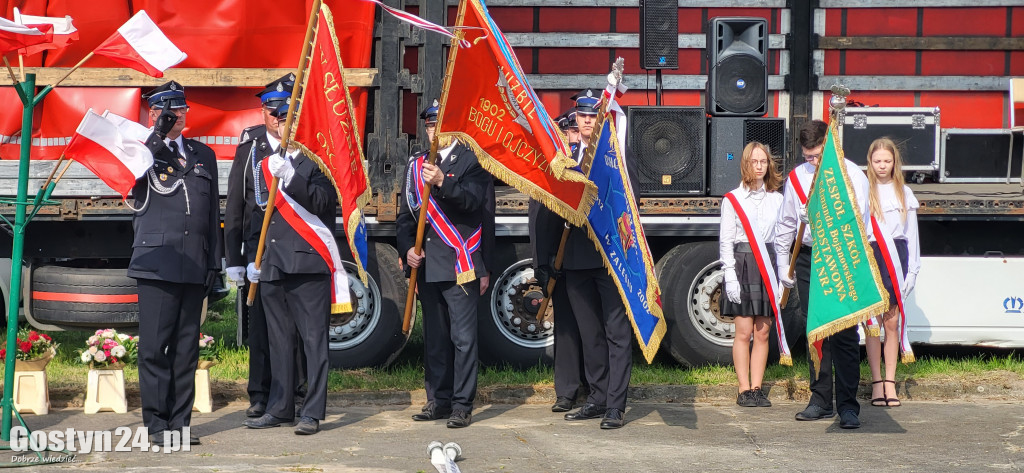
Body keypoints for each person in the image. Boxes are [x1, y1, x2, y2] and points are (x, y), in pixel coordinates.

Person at [131, 81, 220, 446]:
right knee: (154, 347)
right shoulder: (140, 151)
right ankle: (156, 424)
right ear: (153, 114)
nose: (176, 117)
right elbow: (131, 181)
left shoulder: (203, 154)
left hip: (192, 262)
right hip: (156, 262)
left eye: (181, 111)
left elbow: (213, 212)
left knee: (187, 348)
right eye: (168, 111)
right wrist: (157, 136)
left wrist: (214, 263)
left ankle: (180, 425)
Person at [397, 101, 495, 428]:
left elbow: (474, 204)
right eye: (428, 126)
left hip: (459, 262)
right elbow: (405, 217)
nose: (432, 131)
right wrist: (406, 248)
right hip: (427, 265)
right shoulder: (415, 164)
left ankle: (462, 405)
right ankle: (437, 400)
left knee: (463, 339)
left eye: (438, 125)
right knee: (436, 339)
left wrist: (442, 181)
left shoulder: (472, 159)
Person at [243, 103, 338, 435]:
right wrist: (252, 259)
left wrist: (292, 179)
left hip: (307, 262)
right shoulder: (266, 164)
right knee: (279, 341)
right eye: (281, 121)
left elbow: (324, 203)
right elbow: (259, 215)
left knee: (314, 341)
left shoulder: (318, 161)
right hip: (272, 263)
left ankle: (311, 411)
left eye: (292, 121)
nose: (285, 126)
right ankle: (280, 407)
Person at [774, 119, 871, 429]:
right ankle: (819, 399)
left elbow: (862, 224)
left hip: (842, 254)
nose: (812, 163)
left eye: (817, 156)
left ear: (828, 149)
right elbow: (786, 225)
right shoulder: (797, 177)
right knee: (815, 328)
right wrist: (781, 267)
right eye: (807, 157)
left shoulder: (852, 174)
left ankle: (847, 406)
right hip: (809, 255)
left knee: (843, 332)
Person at [223, 73, 307, 419]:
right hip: (259, 252)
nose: (278, 118)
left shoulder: (305, 147)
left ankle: (298, 392)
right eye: (272, 112)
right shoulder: (250, 149)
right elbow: (235, 207)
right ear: (263, 113)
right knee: (260, 326)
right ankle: (259, 393)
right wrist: (234, 260)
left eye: (284, 111)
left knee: (298, 327)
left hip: (296, 248)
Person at [557, 89, 633, 430]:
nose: (587, 121)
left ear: (600, 117)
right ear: (575, 117)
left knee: (616, 333)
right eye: (582, 116)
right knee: (590, 334)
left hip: (609, 256)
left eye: (593, 115)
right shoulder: (566, 154)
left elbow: (630, 199)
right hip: (575, 256)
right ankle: (597, 397)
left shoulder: (613, 154)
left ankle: (615, 405)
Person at [719, 142, 783, 408]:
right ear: (745, 164)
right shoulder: (732, 199)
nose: (759, 166)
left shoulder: (777, 199)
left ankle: (757, 388)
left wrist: (783, 276)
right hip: (743, 263)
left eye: (764, 162)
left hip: (767, 264)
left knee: (763, 332)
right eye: (754, 162)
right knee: (744, 332)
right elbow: (726, 241)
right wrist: (730, 276)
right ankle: (743, 389)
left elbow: (782, 240)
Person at [531, 106, 587, 413]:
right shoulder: (552, 166)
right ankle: (566, 390)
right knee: (565, 327)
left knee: (592, 327)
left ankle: (593, 386)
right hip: (560, 258)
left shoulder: (588, 163)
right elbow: (539, 219)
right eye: (570, 133)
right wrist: (542, 262)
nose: (574, 138)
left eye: (577, 132)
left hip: (588, 256)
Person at [864, 137, 920, 408]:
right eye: (877, 161)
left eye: (887, 161)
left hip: (897, 258)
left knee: (891, 323)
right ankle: (876, 382)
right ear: (870, 163)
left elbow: (912, 236)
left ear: (894, 162)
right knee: (873, 324)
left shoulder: (904, 192)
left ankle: (890, 381)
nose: (882, 166)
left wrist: (912, 272)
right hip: (873, 257)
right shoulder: (864, 192)